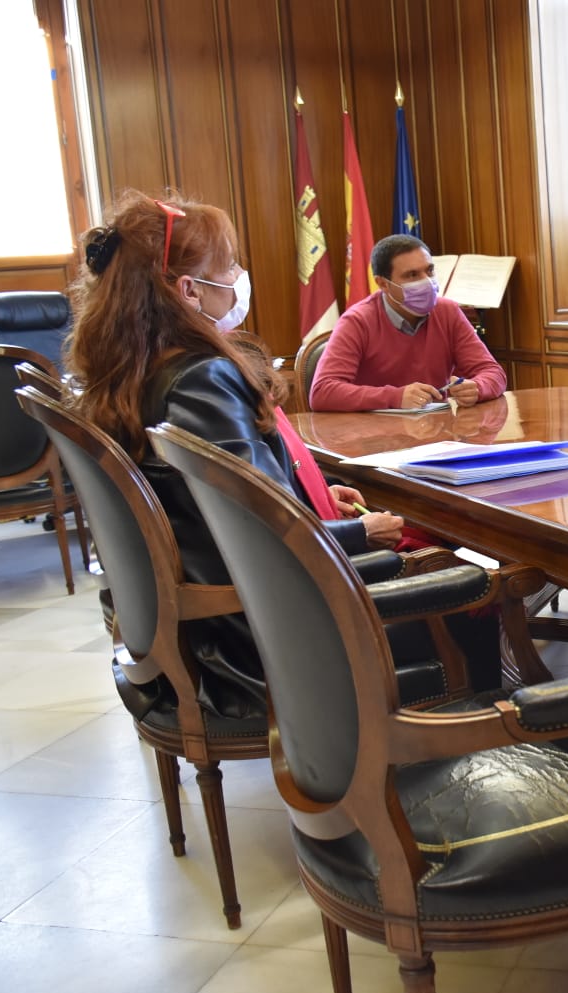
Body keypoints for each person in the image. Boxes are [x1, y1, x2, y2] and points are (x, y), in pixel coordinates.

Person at [66, 190, 501, 720]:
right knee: (478, 591)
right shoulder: (202, 380)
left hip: (208, 631)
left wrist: (309, 492)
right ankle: (470, 753)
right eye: (228, 267)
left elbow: (226, 506)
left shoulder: (135, 371)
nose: (238, 277)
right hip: (269, 646)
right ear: (188, 291)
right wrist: (361, 533)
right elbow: (266, 533)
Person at [309, 234, 507, 412]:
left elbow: (493, 372)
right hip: (374, 440)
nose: (427, 282)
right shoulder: (357, 321)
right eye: (412, 275)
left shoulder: (448, 312)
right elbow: (322, 391)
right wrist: (395, 397)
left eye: (429, 271)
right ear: (383, 284)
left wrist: (477, 388)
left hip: (439, 436)